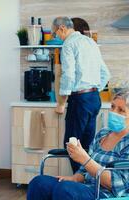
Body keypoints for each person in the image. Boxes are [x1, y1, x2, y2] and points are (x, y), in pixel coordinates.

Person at [27, 90, 129, 200]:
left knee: (66, 190)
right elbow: (85, 170)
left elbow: (117, 184)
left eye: (121, 110)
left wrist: (85, 159)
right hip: (90, 187)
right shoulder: (103, 133)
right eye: (112, 107)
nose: (113, 112)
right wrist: (75, 178)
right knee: (39, 183)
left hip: (113, 194)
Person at [52, 16, 111, 172]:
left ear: (62, 28)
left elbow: (68, 76)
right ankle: (88, 184)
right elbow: (105, 73)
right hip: (94, 99)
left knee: (72, 145)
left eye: (55, 33)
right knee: (86, 146)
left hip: (80, 100)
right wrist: (92, 90)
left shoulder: (69, 44)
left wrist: (62, 103)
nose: (56, 36)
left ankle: (79, 184)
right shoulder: (91, 42)